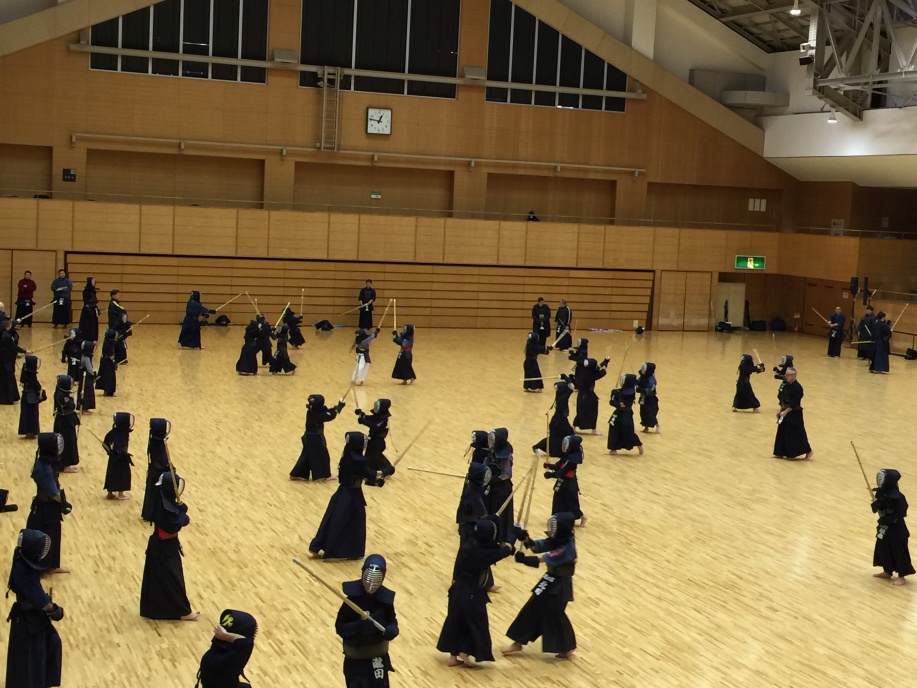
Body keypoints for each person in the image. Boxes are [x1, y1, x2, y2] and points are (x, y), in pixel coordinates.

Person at [437, 519, 516, 667]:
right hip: (471, 594)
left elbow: (493, 547)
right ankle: (464, 650)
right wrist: (513, 535)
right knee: (476, 624)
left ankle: (453, 657)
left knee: (456, 621)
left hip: (457, 591)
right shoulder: (481, 554)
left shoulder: (470, 544)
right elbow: (503, 551)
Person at [503, 512, 578, 659]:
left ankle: (567, 647)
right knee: (532, 608)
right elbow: (536, 547)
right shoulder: (557, 540)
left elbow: (544, 559)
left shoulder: (567, 548)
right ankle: (518, 642)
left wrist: (524, 560)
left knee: (555, 615)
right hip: (549, 580)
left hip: (560, 585)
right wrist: (525, 538)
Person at [308, 432, 393, 560]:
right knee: (350, 523)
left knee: (333, 520)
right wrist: (386, 470)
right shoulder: (358, 461)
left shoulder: (347, 456)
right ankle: (340, 551)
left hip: (343, 492)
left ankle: (318, 545)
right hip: (352, 496)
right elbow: (371, 474)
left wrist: (375, 482)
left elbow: (359, 475)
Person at [5, 529, 65, 688]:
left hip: (29, 619)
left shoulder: (21, 562)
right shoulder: (23, 574)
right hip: (28, 623)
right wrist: (54, 610)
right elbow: (39, 599)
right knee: (30, 662)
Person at [140, 470, 200, 621]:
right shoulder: (162, 507)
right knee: (173, 579)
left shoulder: (162, 499)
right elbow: (174, 525)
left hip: (164, 546)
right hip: (164, 549)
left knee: (162, 579)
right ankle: (183, 611)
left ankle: (159, 609)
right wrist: (182, 515)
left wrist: (181, 511)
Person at [335, 554, 398, 687]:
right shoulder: (352, 600)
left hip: (377, 659)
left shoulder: (384, 601)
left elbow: (391, 621)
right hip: (355, 661)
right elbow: (340, 627)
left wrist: (392, 629)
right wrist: (358, 627)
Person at [26, 433, 72, 575]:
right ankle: (41, 567)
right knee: (46, 536)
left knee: (54, 534)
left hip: (48, 507)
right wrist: (63, 503)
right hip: (45, 508)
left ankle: (52, 565)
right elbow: (52, 492)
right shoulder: (44, 468)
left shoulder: (46, 463)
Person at [871, 469, 915, 586]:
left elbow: (901, 513)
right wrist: (876, 506)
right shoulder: (880, 493)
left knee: (898, 551)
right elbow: (879, 508)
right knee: (883, 548)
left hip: (897, 529)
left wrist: (889, 518)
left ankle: (901, 576)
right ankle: (887, 571)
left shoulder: (899, 498)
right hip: (884, 527)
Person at [195, 610, 258, 688]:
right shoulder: (227, 658)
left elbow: (244, 642)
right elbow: (246, 643)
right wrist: (225, 635)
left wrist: (224, 635)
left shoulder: (218, 651)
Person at [290, 395, 346, 481]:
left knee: (307, 456)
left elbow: (327, 411)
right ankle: (324, 475)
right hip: (315, 439)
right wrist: (339, 407)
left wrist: (338, 405)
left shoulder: (313, 410)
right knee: (323, 457)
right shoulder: (316, 414)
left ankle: (297, 474)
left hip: (309, 438)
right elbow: (329, 415)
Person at [544, 435, 586, 527]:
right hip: (562, 482)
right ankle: (556, 518)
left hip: (569, 484)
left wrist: (550, 475)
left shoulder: (572, 460)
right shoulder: (566, 456)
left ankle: (582, 517)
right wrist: (549, 466)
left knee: (570, 503)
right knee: (557, 501)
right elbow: (558, 466)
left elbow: (562, 472)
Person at [773, 368, 813, 460]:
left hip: (794, 413)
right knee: (782, 431)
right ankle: (781, 452)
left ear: (793, 376)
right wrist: (780, 409)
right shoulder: (786, 385)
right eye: (785, 375)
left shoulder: (798, 388)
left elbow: (795, 402)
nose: (786, 376)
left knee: (798, 432)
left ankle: (808, 451)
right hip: (784, 411)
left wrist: (785, 411)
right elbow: (783, 399)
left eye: (788, 375)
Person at [532, 378, 576, 457]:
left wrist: (566, 378)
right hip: (558, 422)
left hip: (560, 420)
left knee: (558, 437)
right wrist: (566, 378)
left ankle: (563, 450)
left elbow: (569, 386)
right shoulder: (562, 399)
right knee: (562, 436)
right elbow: (572, 387)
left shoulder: (559, 395)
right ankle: (536, 446)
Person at [484, 428, 514, 543]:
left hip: (502, 490)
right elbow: (486, 463)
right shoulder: (492, 451)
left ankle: (501, 538)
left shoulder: (505, 457)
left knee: (501, 515)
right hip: (492, 488)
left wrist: (494, 479)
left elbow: (506, 475)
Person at [142, 419, 172, 523]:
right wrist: (168, 466)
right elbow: (162, 459)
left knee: (151, 493)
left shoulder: (154, 441)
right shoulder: (158, 444)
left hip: (154, 471)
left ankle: (149, 514)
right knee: (155, 494)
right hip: (158, 472)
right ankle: (152, 515)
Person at [607, 374, 644, 456]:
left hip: (626, 414)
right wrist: (615, 397)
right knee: (613, 429)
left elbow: (624, 404)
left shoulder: (630, 393)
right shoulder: (618, 392)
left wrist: (617, 399)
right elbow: (612, 402)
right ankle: (613, 449)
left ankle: (639, 445)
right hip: (618, 413)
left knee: (628, 431)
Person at [573, 357, 608, 435]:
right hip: (588, 395)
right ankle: (594, 430)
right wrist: (606, 363)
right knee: (593, 411)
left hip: (582, 395)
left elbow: (598, 367)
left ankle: (573, 428)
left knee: (580, 411)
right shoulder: (590, 375)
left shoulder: (584, 370)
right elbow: (603, 371)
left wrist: (605, 361)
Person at [356, 399, 393, 474]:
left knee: (375, 457)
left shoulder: (383, 420)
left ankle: (387, 469)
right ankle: (368, 471)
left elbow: (374, 425)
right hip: (372, 439)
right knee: (370, 456)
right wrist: (361, 414)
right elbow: (370, 418)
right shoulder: (377, 416)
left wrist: (363, 421)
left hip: (378, 442)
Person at [52, 375, 80, 473]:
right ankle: (65, 465)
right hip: (64, 422)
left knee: (65, 442)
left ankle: (62, 464)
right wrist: (75, 400)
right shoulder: (62, 396)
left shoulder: (60, 393)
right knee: (66, 443)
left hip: (63, 421)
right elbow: (71, 406)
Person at [103, 412, 134, 501]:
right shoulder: (123, 433)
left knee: (111, 474)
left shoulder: (113, 432)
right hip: (121, 457)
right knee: (123, 475)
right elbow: (122, 446)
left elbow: (105, 443)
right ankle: (120, 494)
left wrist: (110, 451)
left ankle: (110, 493)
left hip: (113, 457)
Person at [0, 316, 27, 404]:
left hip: (6, 359)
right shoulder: (6, 336)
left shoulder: (4, 333)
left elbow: (9, 348)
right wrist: (25, 351)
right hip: (5, 361)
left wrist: (16, 354)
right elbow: (13, 346)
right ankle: (6, 398)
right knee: (7, 378)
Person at [18, 355, 45, 439]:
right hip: (30, 396)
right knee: (32, 414)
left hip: (26, 395)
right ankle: (31, 432)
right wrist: (40, 391)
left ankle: (28, 432)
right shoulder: (31, 376)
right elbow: (36, 386)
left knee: (26, 414)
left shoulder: (25, 371)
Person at [636, 362, 660, 433]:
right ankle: (646, 427)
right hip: (643, 398)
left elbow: (650, 389)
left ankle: (657, 425)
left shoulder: (651, 380)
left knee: (650, 413)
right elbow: (638, 381)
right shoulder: (642, 377)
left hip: (650, 399)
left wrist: (641, 390)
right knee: (643, 413)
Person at [96, 328, 118, 396]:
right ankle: (108, 391)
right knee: (109, 377)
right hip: (108, 362)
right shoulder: (110, 344)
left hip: (104, 361)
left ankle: (106, 390)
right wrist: (114, 363)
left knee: (105, 376)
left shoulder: (106, 341)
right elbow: (110, 355)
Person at [77, 340, 97, 413]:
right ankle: (83, 408)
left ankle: (85, 408)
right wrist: (94, 374)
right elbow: (89, 368)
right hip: (86, 377)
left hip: (84, 376)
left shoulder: (84, 355)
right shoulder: (86, 357)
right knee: (86, 391)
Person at [79, 276, 99, 342]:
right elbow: (86, 301)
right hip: (88, 310)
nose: (94, 283)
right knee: (87, 324)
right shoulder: (86, 291)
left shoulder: (93, 290)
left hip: (93, 308)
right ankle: (86, 337)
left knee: (93, 324)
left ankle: (93, 337)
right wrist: (89, 310)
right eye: (93, 281)